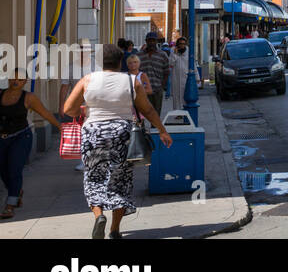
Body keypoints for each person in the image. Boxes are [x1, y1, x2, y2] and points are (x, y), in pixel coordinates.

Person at [63, 45, 173, 239]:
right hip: (121, 133)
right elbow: (147, 110)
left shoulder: (88, 80)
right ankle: (114, 230)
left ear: (99, 62)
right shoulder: (132, 81)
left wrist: (84, 109)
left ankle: (99, 216)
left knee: (93, 177)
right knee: (120, 180)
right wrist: (162, 131)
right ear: (120, 62)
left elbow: (68, 109)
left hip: (94, 133)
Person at [0, 77, 65, 219]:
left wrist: (60, 127)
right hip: (3, 138)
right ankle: (17, 191)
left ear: (25, 82)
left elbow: (45, 113)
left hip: (21, 137)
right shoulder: (1, 94)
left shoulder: (28, 97)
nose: (15, 81)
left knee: (14, 169)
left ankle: (10, 205)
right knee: (3, 170)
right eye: (13, 78)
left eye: (20, 79)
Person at [136, 34, 169, 116]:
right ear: (146, 41)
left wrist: (162, 86)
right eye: (149, 40)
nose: (151, 42)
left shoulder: (162, 55)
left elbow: (166, 71)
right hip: (143, 89)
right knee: (141, 113)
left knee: (156, 113)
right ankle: (141, 128)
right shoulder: (139, 55)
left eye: (153, 40)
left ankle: (154, 128)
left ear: (156, 41)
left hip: (157, 88)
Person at [168, 37, 195, 114]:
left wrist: (197, 77)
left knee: (185, 96)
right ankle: (177, 113)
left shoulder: (188, 52)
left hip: (186, 78)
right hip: (176, 78)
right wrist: (175, 54)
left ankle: (185, 113)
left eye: (183, 44)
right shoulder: (173, 51)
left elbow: (193, 65)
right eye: (180, 44)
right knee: (176, 97)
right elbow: (171, 63)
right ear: (177, 44)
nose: (182, 46)